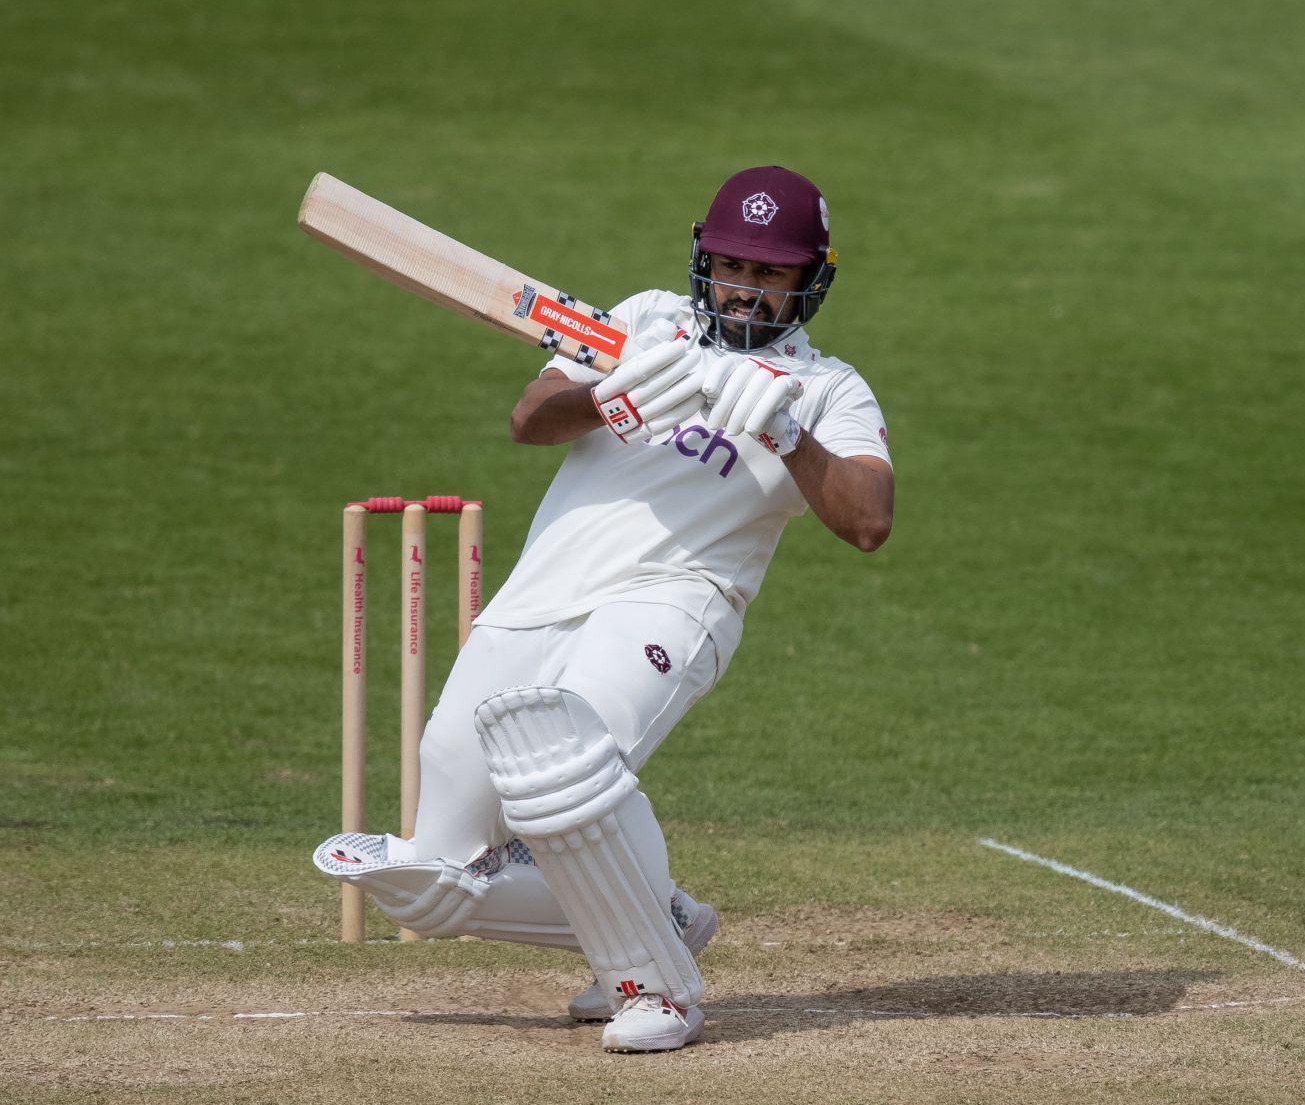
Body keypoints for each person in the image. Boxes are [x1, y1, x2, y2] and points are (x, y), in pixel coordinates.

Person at [313, 166, 893, 1052]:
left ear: (812, 278)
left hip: (676, 599)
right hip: (542, 590)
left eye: (771, 272)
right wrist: (607, 398)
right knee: (435, 882)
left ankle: (659, 990)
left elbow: (867, 520)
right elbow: (531, 417)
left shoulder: (827, 391)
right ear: (705, 256)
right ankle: (657, 916)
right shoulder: (643, 320)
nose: (747, 285)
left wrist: (785, 432)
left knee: (563, 766)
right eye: (735, 264)